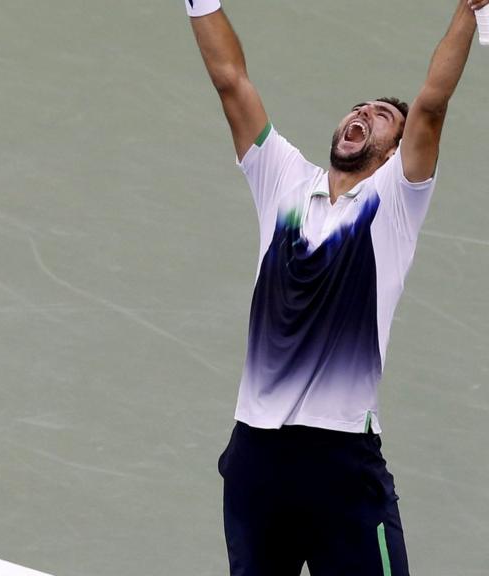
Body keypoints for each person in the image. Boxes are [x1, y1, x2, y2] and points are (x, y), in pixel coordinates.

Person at [186, 1, 484, 574]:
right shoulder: (284, 181)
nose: (362, 114)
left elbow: (431, 107)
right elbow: (231, 81)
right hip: (256, 456)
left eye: (380, 118)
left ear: (396, 153)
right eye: (359, 108)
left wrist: (470, 11)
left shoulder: (394, 202)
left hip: (339, 463)